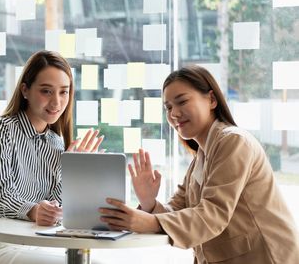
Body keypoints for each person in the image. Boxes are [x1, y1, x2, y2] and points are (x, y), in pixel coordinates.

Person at [99, 65, 299, 264]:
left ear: (211, 100)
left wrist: (149, 221)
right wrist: (149, 202)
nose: (174, 114)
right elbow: (178, 211)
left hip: (267, 257)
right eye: (168, 107)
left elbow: (214, 213)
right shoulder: (200, 157)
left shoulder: (234, 142)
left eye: (182, 101)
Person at [0, 50, 104, 264]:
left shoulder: (56, 142)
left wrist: (71, 168)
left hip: (33, 241)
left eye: (64, 92)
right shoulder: (0, 129)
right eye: (46, 91)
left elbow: (55, 208)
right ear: (25, 90)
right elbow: (3, 195)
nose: (56, 102)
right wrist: (34, 210)